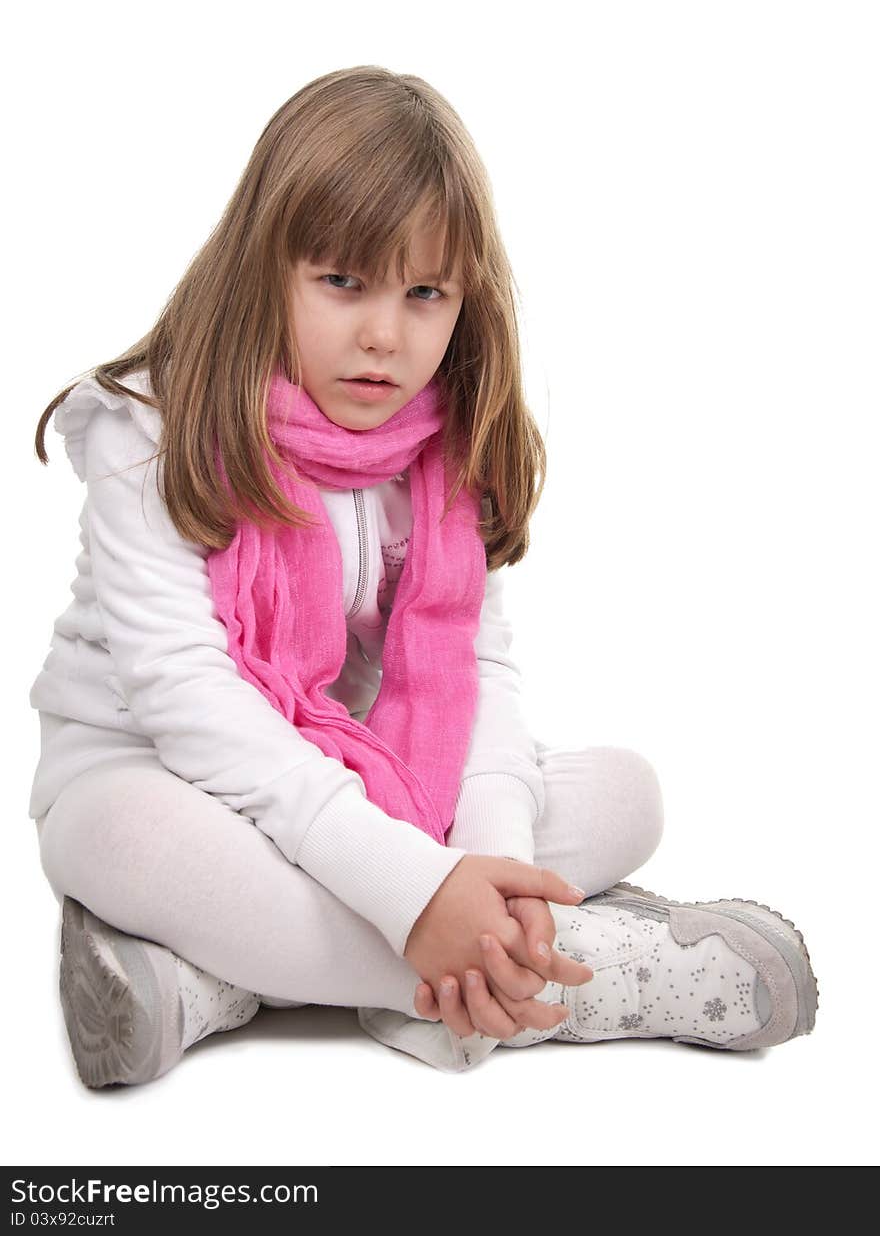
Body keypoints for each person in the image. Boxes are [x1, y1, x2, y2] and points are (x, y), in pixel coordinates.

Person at [29, 65, 818, 1088]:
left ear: (463, 300)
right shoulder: (150, 431)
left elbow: (478, 675)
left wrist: (472, 856)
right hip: (161, 768)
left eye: (424, 293)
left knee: (626, 793)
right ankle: (569, 984)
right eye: (342, 282)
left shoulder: (447, 447)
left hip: (371, 780)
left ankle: (212, 981)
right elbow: (186, 700)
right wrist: (416, 891)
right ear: (263, 268)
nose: (382, 336)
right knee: (130, 842)